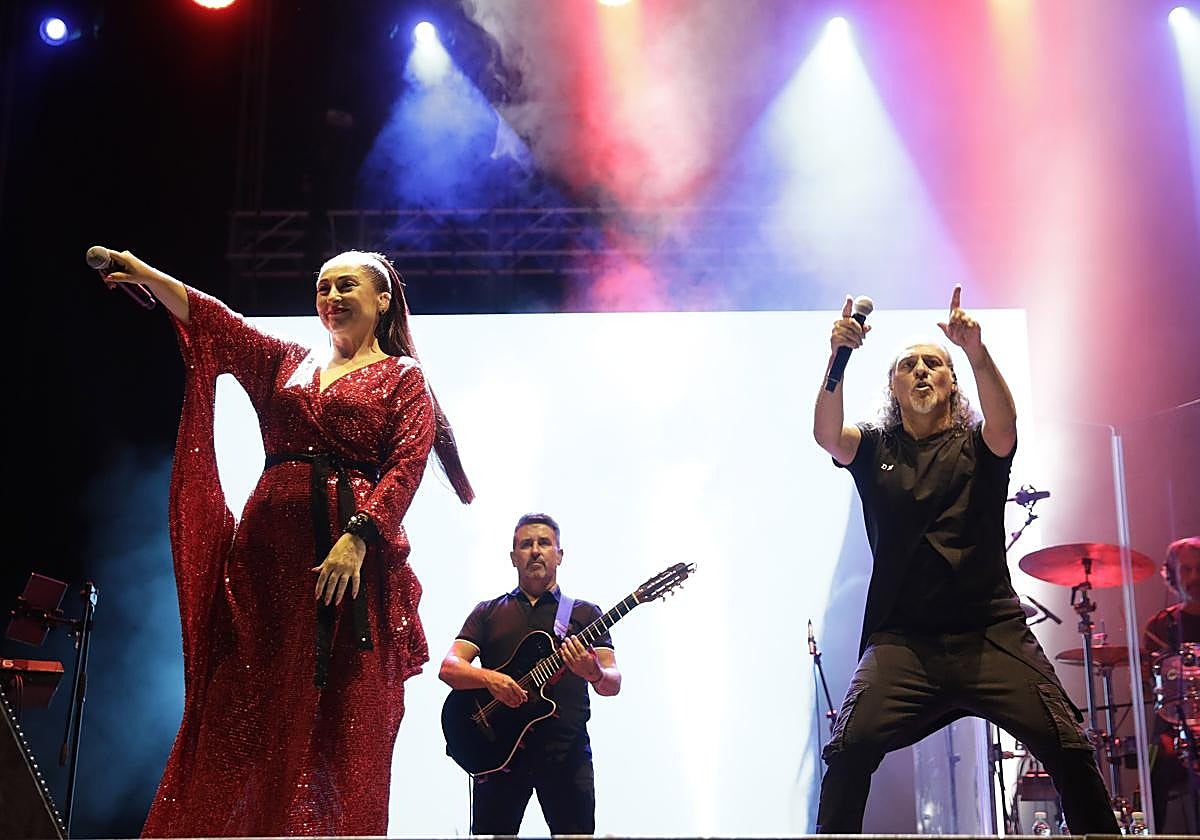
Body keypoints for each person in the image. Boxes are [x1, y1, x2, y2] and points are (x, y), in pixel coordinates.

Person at [93, 248, 474, 837]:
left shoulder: (404, 377)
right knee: (242, 701)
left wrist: (359, 537)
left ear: (383, 300)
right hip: (265, 559)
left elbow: (405, 467)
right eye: (323, 287)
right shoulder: (288, 362)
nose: (332, 297)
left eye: (346, 286)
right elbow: (217, 321)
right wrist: (143, 273)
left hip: (347, 565)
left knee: (341, 711)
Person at [811, 285, 1120, 834]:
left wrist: (975, 351)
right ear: (893, 386)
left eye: (934, 364)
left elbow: (1005, 426)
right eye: (909, 365)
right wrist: (839, 359)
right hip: (904, 641)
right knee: (850, 749)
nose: (921, 371)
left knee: (1070, 746)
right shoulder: (876, 447)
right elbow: (827, 434)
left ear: (952, 383)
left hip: (990, 635)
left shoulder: (978, 445)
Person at [438, 512, 620, 836]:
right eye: (526, 544)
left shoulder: (585, 613)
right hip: (499, 754)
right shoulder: (488, 611)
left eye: (544, 543)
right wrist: (490, 679)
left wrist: (593, 673)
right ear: (513, 557)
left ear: (559, 555)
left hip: (566, 754)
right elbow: (449, 667)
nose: (535, 551)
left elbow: (612, 683)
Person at [1141, 536, 1200, 833]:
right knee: (1154, 764)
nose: (1195, 577)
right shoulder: (1160, 626)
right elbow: (1150, 690)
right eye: (1187, 570)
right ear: (1173, 576)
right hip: (1172, 731)